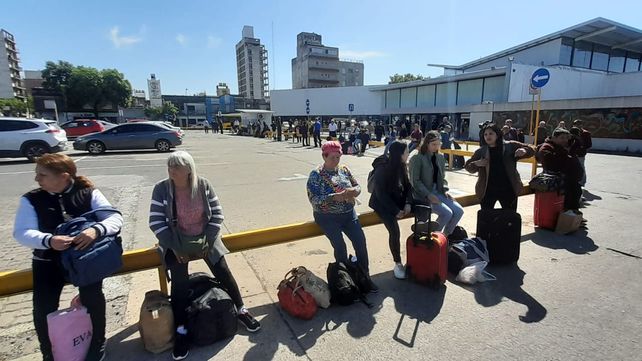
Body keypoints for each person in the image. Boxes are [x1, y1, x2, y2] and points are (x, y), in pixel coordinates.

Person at [149, 151, 261, 360]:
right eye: (170, 166)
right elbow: (156, 222)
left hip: (205, 237)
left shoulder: (203, 185)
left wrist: (208, 241)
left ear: (189, 169)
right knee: (180, 284)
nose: (171, 170)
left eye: (176, 167)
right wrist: (175, 248)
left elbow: (217, 214)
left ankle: (241, 309)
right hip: (176, 241)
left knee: (223, 270)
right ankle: (181, 331)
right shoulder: (162, 189)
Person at [13, 153, 124, 361]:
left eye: (42, 175)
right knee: (43, 308)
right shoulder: (32, 199)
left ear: (63, 176)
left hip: (85, 260)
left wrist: (96, 231)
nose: (37, 179)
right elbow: (22, 231)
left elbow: (114, 217)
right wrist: (48, 240)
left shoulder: (88, 192)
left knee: (93, 300)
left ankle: (97, 344)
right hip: (48, 262)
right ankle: (49, 352)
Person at [306, 141, 377, 291]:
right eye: (332, 157)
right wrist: (333, 197)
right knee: (340, 247)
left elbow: (357, 186)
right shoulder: (316, 175)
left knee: (360, 243)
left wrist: (354, 191)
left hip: (348, 215)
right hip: (327, 217)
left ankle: (365, 277)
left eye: (338, 157)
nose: (336, 161)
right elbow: (314, 200)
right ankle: (346, 281)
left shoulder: (344, 169)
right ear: (324, 156)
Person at [369, 141, 413, 279]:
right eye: (406, 152)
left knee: (424, 208)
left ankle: (421, 249)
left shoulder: (402, 166)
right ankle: (398, 263)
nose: (408, 155)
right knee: (394, 231)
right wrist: (395, 210)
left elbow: (408, 187)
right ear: (399, 154)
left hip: (397, 200)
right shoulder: (382, 168)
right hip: (382, 204)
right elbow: (381, 194)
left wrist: (408, 203)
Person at [465, 123, 535, 210]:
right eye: (485, 134)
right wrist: (476, 164)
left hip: (508, 189)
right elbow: (468, 167)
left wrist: (525, 150)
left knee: (509, 218)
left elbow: (532, 148)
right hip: (487, 190)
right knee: (486, 218)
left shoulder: (510, 146)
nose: (488, 136)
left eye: (491, 133)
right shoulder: (481, 151)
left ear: (497, 134)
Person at [409, 131, 464, 237]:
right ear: (426, 144)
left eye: (438, 144)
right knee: (446, 213)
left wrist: (444, 190)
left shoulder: (440, 157)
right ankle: (430, 236)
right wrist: (428, 195)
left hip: (438, 191)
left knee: (458, 211)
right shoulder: (417, 158)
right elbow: (414, 181)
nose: (436, 147)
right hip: (422, 195)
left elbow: (442, 177)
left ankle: (445, 237)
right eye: (433, 144)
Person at [537, 128, 584, 214]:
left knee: (575, 193)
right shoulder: (547, 147)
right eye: (562, 138)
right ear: (554, 138)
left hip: (570, 181)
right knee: (567, 197)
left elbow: (578, 146)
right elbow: (552, 164)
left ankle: (572, 215)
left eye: (566, 138)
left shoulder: (564, 147)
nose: (565, 140)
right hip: (557, 181)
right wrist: (566, 156)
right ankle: (566, 217)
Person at [570, 119, 592, 186]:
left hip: (580, 153)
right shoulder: (571, 132)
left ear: (581, 125)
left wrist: (583, 149)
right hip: (572, 153)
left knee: (581, 167)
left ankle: (582, 181)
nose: (577, 126)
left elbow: (589, 145)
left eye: (579, 124)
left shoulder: (586, 133)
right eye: (576, 124)